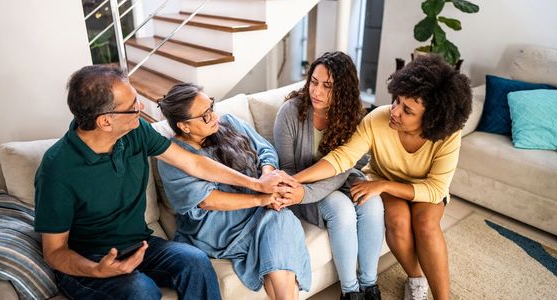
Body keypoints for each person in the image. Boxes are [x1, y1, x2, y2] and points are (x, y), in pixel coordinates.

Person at [34, 65, 297, 300]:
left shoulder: (136, 132)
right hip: (89, 261)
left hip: (140, 245)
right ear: (105, 121)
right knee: (141, 290)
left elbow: (195, 163)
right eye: (133, 105)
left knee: (195, 261)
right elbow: (55, 252)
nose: (142, 108)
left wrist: (257, 184)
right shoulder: (58, 169)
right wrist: (97, 270)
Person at [294, 54, 472, 300]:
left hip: (421, 188)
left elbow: (435, 189)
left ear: (432, 119)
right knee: (398, 221)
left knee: (426, 225)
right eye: (397, 100)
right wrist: (296, 180)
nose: (395, 111)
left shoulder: (448, 135)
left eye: (407, 110)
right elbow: (342, 158)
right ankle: (416, 279)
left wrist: (385, 185)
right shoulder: (377, 120)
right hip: (383, 184)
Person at [157, 83, 311, 300]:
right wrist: (262, 198)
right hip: (218, 229)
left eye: (211, 107)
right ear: (184, 126)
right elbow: (207, 201)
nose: (213, 116)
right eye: (204, 116)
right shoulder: (173, 156)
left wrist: (267, 176)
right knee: (279, 221)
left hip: (257, 211)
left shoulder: (228, 123)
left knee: (280, 219)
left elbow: (265, 150)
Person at [273, 51, 385, 300]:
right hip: (301, 191)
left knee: (373, 202)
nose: (317, 92)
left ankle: (369, 285)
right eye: (313, 82)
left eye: (327, 86)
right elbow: (289, 171)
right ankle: (350, 292)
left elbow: (344, 167)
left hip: (338, 179)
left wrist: (310, 188)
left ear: (343, 90)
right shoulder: (289, 113)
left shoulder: (350, 115)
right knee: (341, 208)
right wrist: (305, 192)